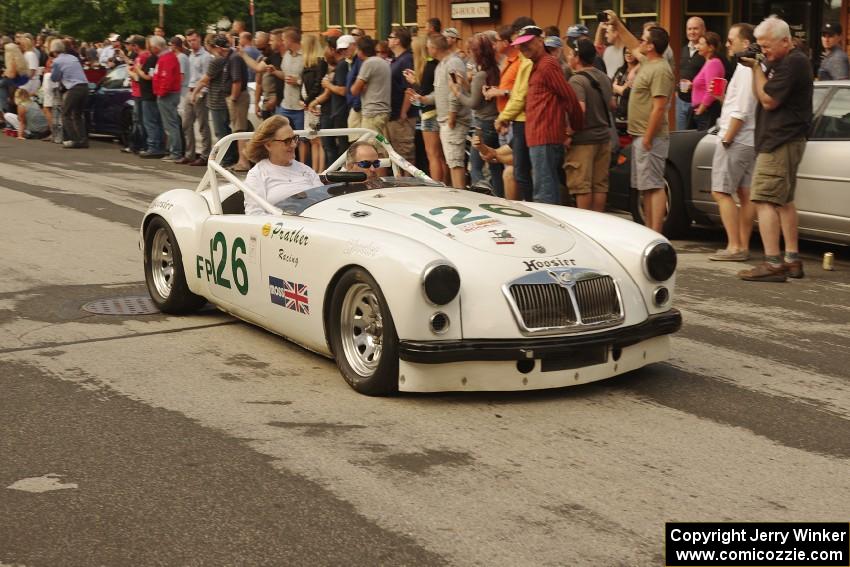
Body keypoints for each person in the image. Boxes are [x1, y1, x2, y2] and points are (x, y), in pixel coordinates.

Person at [736, 16, 813, 282]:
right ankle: (792, 259)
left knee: (764, 199)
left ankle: (772, 263)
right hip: (786, 139)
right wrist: (761, 62)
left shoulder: (793, 63)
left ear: (785, 41)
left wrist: (756, 68)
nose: (763, 51)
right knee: (784, 201)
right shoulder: (785, 61)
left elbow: (768, 100)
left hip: (779, 140)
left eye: (766, 46)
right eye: (760, 46)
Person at [606, 11, 674, 233]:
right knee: (646, 186)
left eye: (644, 39)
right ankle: (650, 229)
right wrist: (617, 22)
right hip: (642, 135)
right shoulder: (648, 61)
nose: (640, 43)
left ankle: (656, 231)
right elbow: (631, 42)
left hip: (650, 136)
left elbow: (659, 106)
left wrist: (647, 136)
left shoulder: (661, 69)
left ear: (652, 46)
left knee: (654, 185)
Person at [514, 25, 582, 205]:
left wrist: (575, 127)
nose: (523, 48)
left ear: (540, 40)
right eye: (520, 45)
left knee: (544, 193)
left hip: (545, 135)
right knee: (545, 188)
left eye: (527, 43)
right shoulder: (539, 64)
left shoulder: (547, 64)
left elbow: (568, 96)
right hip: (540, 135)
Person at [708, 23, 758, 263]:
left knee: (720, 191)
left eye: (731, 40)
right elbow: (739, 104)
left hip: (737, 137)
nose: (727, 44)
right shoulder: (746, 69)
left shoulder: (747, 69)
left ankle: (735, 246)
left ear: (745, 44)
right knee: (745, 193)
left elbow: (742, 109)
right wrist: (722, 98)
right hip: (747, 138)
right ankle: (742, 245)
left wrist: (728, 136)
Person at [565, 38, 615, 211]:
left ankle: (585, 226)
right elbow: (612, 105)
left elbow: (580, 110)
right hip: (603, 138)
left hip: (583, 141)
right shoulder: (604, 77)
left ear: (577, 57)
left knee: (582, 185)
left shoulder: (576, 80)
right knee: (600, 185)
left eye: (571, 53)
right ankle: (598, 224)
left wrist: (568, 134)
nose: (568, 56)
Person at [451, 33, 503, 196]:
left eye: (471, 51)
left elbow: (474, 103)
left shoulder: (481, 75)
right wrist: (466, 85)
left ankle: (480, 198)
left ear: (477, 53)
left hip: (482, 125)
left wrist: (457, 92)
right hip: (495, 122)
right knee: (495, 165)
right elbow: (481, 97)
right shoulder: (496, 69)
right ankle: (501, 197)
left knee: (475, 166)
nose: (469, 54)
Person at [419, 33, 470, 189]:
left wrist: (452, 115)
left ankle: (459, 195)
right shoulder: (441, 64)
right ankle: (455, 192)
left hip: (453, 119)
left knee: (455, 162)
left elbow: (456, 90)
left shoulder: (453, 63)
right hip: (444, 119)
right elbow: (439, 92)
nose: (427, 49)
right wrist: (424, 99)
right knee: (450, 160)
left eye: (428, 47)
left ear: (434, 48)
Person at [243, 115, 322, 215]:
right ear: (268, 145)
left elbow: (323, 202)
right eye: (287, 141)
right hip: (282, 227)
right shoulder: (257, 174)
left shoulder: (306, 170)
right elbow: (254, 215)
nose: (293, 144)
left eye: (294, 138)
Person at [494, 18, 537, 201]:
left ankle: (530, 208)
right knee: (519, 170)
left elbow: (519, 96)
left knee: (522, 172)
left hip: (522, 120)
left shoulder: (526, 62)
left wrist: (502, 117)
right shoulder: (520, 60)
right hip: (516, 120)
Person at [405, 34, 445, 183]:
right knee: (440, 156)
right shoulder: (436, 64)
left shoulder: (429, 67)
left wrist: (414, 85)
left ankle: (437, 186)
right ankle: (444, 184)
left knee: (432, 156)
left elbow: (424, 95)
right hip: (437, 112)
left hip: (430, 114)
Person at [49, 38, 90, 148]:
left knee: (65, 114)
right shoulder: (73, 57)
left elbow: (55, 78)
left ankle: (74, 139)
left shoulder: (57, 61)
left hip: (74, 88)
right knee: (77, 115)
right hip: (85, 86)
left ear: (53, 50)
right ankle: (83, 139)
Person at [387, 27, 417, 167]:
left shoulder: (406, 59)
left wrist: (404, 111)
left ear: (397, 41)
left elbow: (409, 87)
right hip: (394, 113)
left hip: (402, 114)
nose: (388, 40)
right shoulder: (396, 59)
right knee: (396, 152)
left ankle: (409, 182)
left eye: (390, 37)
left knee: (405, 151)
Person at [151, 35, 184, 162]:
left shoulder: (167, 59)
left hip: (167, 95)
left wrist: (161, 92)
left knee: (170, 124)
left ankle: (175, 152)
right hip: (167, 93)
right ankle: (173, 151)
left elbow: (167, 78)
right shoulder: (167, 57)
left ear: (156, 47)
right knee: (170, 124)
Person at [351, 36, 392, 138]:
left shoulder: (368, 63)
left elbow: (354, 90)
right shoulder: (383, 62)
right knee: (380, 146)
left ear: (361, 51)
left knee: (370, 146)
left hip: (372, 113)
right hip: (383, 111)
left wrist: (360, 86)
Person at [182, 29, 212, 165]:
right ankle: (190, 154)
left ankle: (205, 155)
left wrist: (201, 93)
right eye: (189, 41)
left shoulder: (205, 56)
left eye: (193, 40)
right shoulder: (191, 55)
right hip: (190, 90)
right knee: (186, 123)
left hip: (201, 92)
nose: (191, 43)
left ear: (199, 39)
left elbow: (206, 78)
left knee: (203, 125)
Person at [135, 36, 166, 157]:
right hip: (149, 94)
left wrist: (138, 70)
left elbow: (149, 76)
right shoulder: (154, 58)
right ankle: (156, 145)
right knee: (154, 121)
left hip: (149, 95)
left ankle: (154, 146)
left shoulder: (153, 59)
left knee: (150, 121)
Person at [691, 31, 726, 131]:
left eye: (701, 44)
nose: (697, 46)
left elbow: (712, 90)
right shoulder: (709, 62)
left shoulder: (713, 63)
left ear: (711, 47)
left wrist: (701, 110)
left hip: (706, 111)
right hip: (703, 111)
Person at [677, 17, 706, 130]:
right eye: (689, 29)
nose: (692, 32)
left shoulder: (707, 52)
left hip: (699, 103)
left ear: (703, 30)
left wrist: (693, 85)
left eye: (695, 29)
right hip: (681, 100)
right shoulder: (683, 50)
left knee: (695, 138)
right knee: (680, 136)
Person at [612, 47, 639, 133]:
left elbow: (627, 92)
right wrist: (620, 88)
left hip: (632, 113)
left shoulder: (638, 72)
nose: (628, 55)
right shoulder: (620, 70)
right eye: (626, 52)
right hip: (618, 114)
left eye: (631, 52)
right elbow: (610, 88)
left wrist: (616, 87)